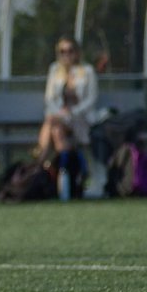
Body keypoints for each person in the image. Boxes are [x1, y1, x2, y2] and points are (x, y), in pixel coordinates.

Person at [36, 36, 98, 192]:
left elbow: (91, 99)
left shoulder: (87, 71)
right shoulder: (55, 70)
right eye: (62, 51)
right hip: (59, 120)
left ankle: (39, 161)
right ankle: (67, 178)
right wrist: (61, 113)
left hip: (80, 120)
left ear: (77, 52)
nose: (66, 55)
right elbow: (49, 98)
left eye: (70, 50)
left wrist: (70, 112)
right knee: (56, 130)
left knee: (51, 123)